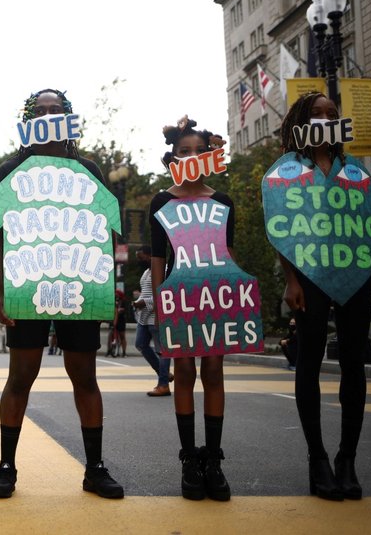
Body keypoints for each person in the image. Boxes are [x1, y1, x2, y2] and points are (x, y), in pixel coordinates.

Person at [0, 89, 124, 500]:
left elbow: (107, 234)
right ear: (28, 119)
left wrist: (109, 291)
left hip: (79, 287)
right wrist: (3, 292)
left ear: (69, 117)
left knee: (85, 377)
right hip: (27, 285)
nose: (48, 116)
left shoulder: (89, 170)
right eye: (40, 111)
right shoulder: (12, 169)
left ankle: (95, 468)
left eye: (56, 110)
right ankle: (6, 465)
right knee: (21, 377)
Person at [273, 92, 371, 500]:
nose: (325, 118)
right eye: (317, 113)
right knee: (309, 360)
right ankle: (318, 459)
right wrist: (291, 280)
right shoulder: (288, 171)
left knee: (353, 364)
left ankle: (347, 460)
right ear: (302, 121)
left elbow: (367, 225)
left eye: (332, 114)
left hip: (355, 276)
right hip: (309, 276)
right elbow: (282, 227)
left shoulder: (353, 169)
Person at [150, 116, 232, 502]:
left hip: (215, 293)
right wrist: (159, 302)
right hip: (178, 293)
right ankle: (189, 460)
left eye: (200, 150)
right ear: (173, 158)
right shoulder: (162, 201)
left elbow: (229, 253)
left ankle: (213, 460)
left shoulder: (222, 201)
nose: (193, 156)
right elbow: (156, 258)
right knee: (183, 371)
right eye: (185, 151)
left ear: (211, 154)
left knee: (213, 370)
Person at [133, 245, 172, 396]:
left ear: (150, 255)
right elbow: (146, 291)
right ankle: (164, 374)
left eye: (141, 257)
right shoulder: (146, 271)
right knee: (140, 344)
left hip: (157, 316)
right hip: (144, 317)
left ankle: (163, 385)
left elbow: (165, 292)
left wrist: (146, 303)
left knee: (162, 350)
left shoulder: (164, 269)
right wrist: (137, 302)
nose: (140, 260)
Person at [107, 290, 128, 357]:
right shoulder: (112, 301)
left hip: (121, 320)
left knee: (122, 336)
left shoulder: (124, 301)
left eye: (117, 294)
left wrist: (120, 310)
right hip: (113, 319)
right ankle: (109, 350)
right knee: (110, 336)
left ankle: (124, 352)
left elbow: (125, 310)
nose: (116, 295)